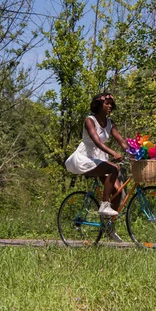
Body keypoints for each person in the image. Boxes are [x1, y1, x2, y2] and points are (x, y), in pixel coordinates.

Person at [65, 92, 129, 242]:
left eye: (111, 105)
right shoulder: (90, 120)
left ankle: (108, 226)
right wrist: (113, 153)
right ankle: (104, 205)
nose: (110, 107)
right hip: (85, 157)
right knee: (113, 169)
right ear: (99, 105)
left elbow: (122, 142)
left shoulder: (110, 123)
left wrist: (136, 152)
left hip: (100, 158)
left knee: (118, 191)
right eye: (107, 104)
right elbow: (96, 142)